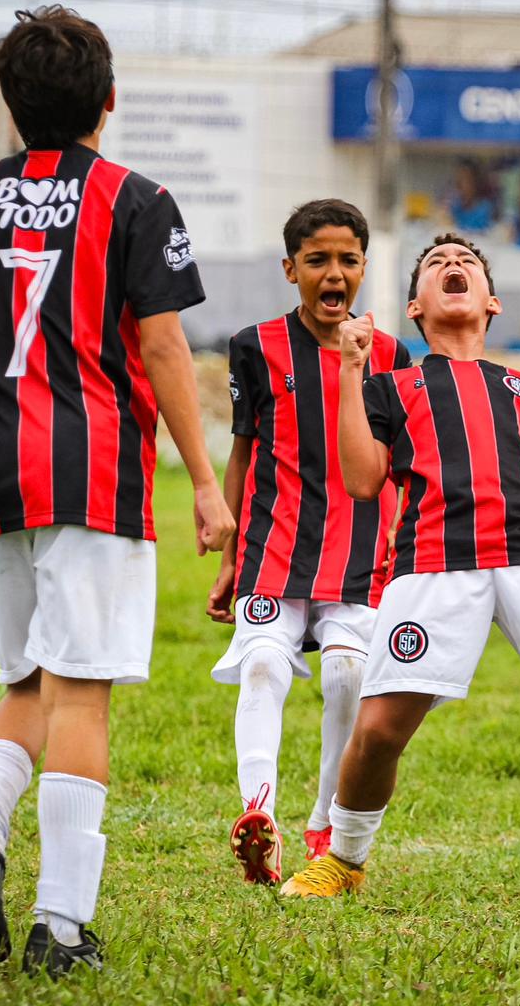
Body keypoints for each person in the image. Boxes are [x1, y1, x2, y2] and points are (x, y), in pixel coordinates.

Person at [0, 6, 236, 976]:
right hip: (92, 469)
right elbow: (160, 344)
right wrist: (204, 481)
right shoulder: (136, 200)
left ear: (5, 103)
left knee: (27, 680)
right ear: (107, 102)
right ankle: (61, 925)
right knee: (82, 694)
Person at [277, 233, 520, 903]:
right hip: (434, 562)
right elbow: (363, 479)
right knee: (378, 732)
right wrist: (349, 371)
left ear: (491, 302)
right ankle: (343, 860)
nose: (452, 267)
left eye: (466, 264)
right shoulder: (390, 388)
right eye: (436, 265)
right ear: (414, 308)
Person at [205, 199, 411, 885]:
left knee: (347, 674)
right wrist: (230, 550)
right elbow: (242, 454)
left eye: (347, 259)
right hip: (273, 557)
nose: (333, 272)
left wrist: (404, 548)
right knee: (263, 668)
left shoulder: (389, 355)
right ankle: (257, 817)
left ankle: (324, 819)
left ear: (363, 268)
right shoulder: (255, 347)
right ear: (291, 269)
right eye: (317, 260)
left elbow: (402, 467)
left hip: (360, 566)